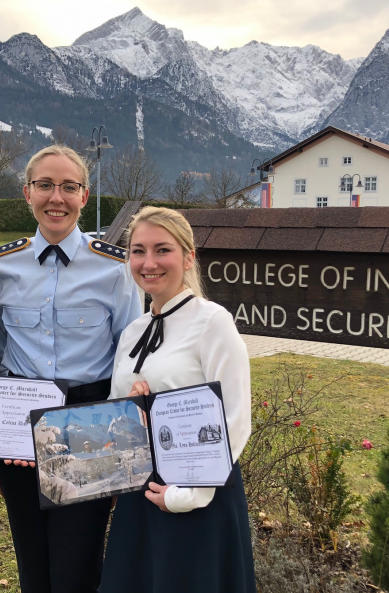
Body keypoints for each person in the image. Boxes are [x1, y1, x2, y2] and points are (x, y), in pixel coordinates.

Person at [0, 145, 141, 593]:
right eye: (45, 185)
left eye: (69, 187)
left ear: (85, 196)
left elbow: (127, 360)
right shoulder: (3, 267)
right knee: (32, 562)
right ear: (27, 193)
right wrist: (1, 428)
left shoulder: (115, 269)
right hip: (20, 424)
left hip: (90, 423)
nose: (57, 197)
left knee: (79, 563)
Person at [99, 206, 257, 593]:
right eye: (138, 251)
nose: (148, 262)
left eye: (161, 250)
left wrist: (190, 495)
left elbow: (236, 417)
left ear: (188, 257)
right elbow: (115, 412)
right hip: (142, 494)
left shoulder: (212, 322)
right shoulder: (133, 331)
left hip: (198, 491)